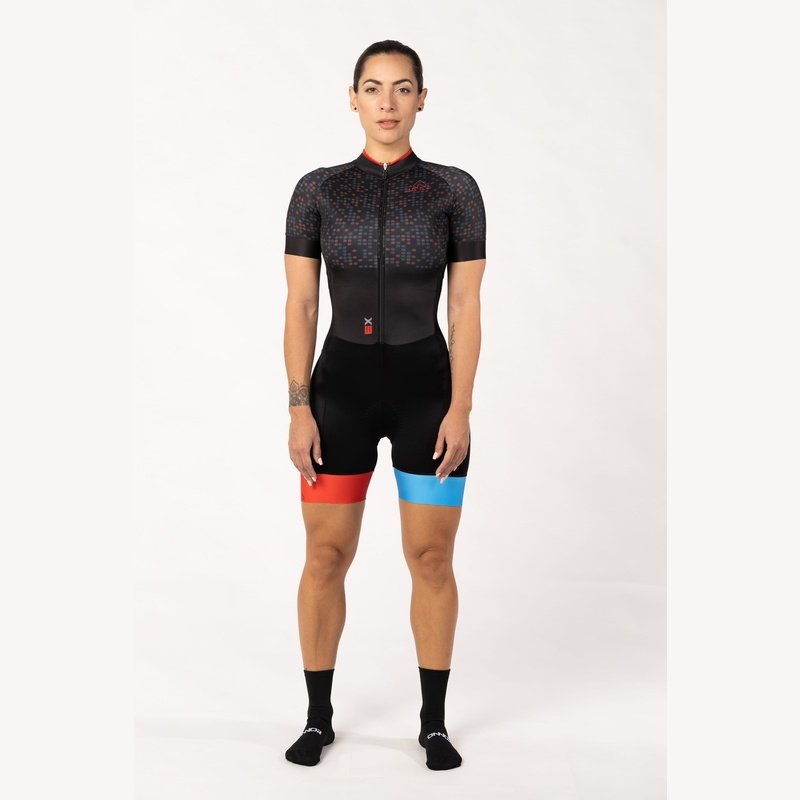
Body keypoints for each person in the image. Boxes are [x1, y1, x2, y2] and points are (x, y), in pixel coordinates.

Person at [282, 40, 486, 770]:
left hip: (426, 392)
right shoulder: (319, 191)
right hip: (338, 393)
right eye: (373, 88)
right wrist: (298, 407)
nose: (388, 102)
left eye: (403, 88)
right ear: (353, 98)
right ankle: (317, 720)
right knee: (324, 556)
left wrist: (460, 408)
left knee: (431, 557)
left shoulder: (454, 191)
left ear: (422, 99)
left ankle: (433, 724)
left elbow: (465, 305)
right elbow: (301, 305)